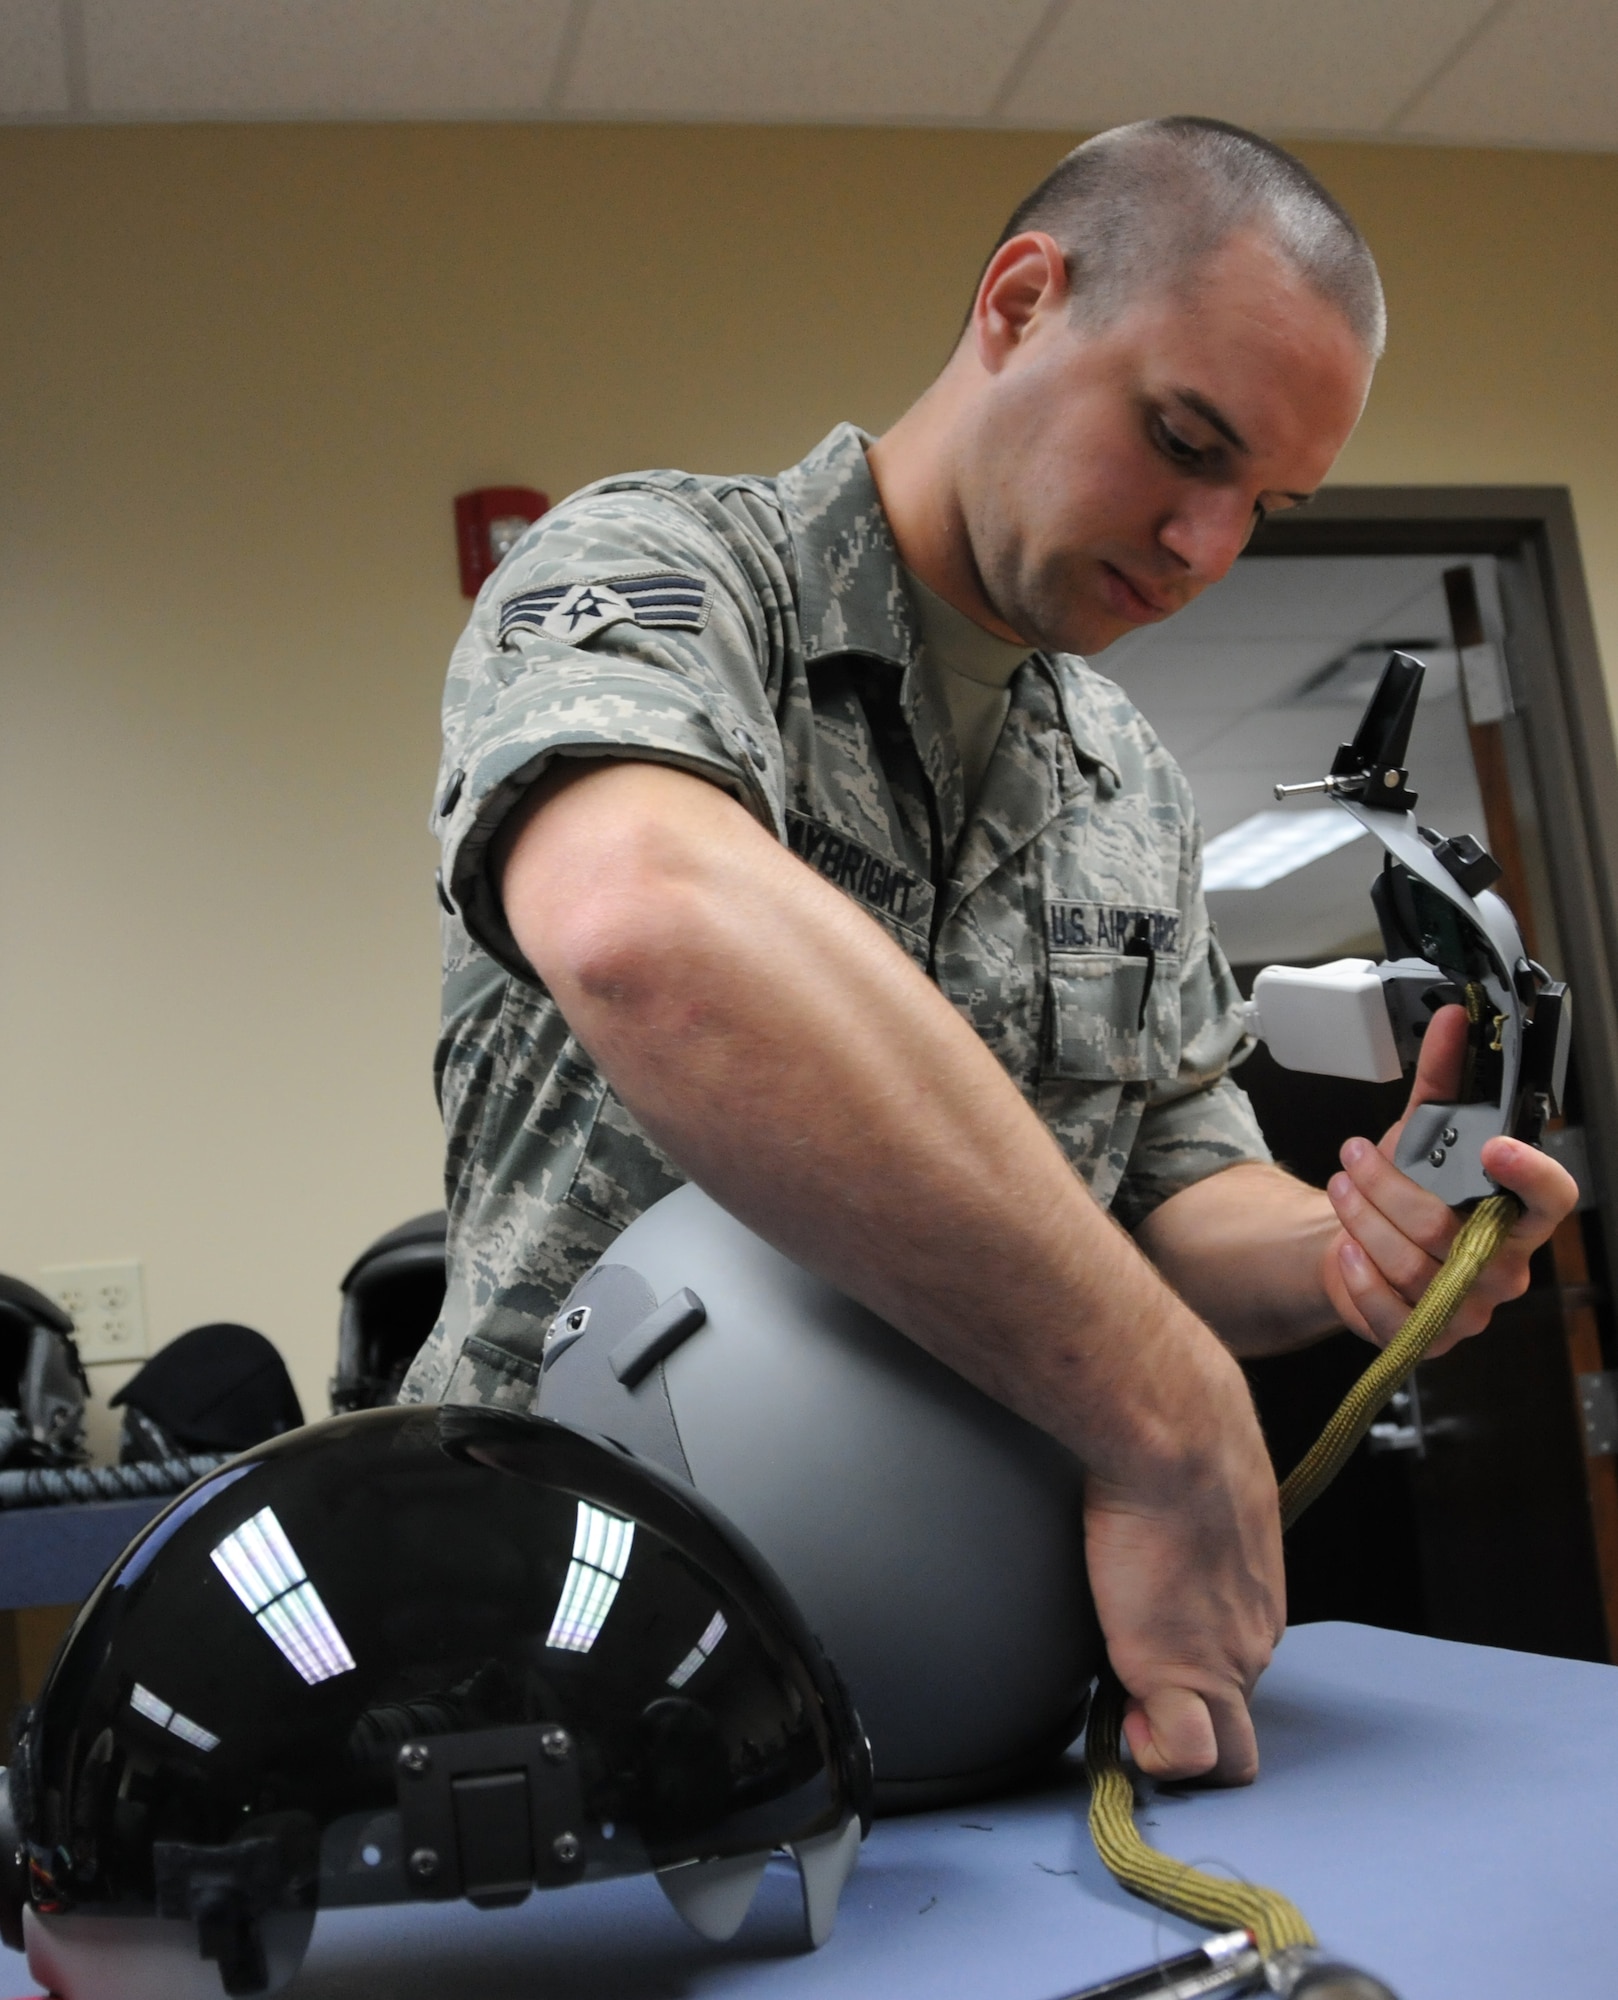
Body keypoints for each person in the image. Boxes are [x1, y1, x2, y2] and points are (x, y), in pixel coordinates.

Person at [402, 117, 1577, 1789]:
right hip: (566, 1649)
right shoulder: (665, 570)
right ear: (1021, 302)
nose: (1205, 547)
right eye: (1182, 442)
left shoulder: (1123, 774)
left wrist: (1341, 1249)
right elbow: (644, 924)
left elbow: (1174, 1190)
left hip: (973, 1660)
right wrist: (1161, 1406)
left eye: (1265, 501)